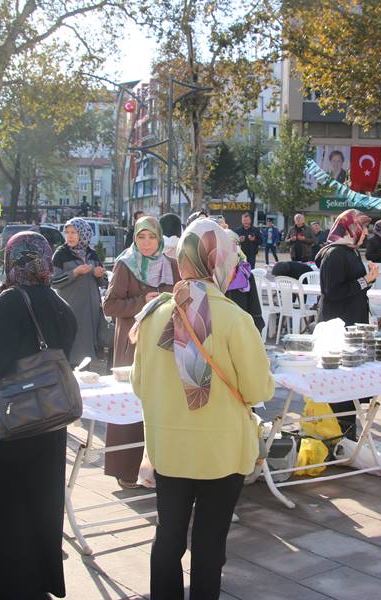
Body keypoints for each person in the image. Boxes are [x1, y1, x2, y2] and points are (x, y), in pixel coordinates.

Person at [130, 217, 274, 600]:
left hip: (170, 449)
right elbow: (257, 389)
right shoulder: (235, 318)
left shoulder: (153, 315)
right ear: (219, 259)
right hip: (221, 451)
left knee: (167, 539)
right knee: (210, 544)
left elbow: (139, 385)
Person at [0, 231, 77, 599]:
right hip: (47, 420)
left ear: (14, 261)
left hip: (7, 420)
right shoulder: (58, 302)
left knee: (4, 501)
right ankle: (37, 577)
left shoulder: (11, 300)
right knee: (39, 500)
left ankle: (5, 580)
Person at [103, 216, 180, 488]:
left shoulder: (172, 265)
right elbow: (110, 306)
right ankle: (126, 470)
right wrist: (141, 302)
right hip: (133, 346)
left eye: (152, 237)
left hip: (164, 344)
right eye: (141, 237)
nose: (146, 244)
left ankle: (162, 467)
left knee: (161, 405)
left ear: (160, 238)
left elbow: (184, 298)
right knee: (131, 405)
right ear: (134, 238)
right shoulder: (126, 264)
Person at [315, 210, 378, 436]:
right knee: (338, 386)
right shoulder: (334, 254)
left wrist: (368, 280)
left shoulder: (350, 252)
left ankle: (346, 434)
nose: (367, 232)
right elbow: (333, 292)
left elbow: (354, 286)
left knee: (347, 387)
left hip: (351, 323)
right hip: (338, 327)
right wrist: (365, 280)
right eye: (363, 227)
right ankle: (336, 435)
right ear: (351, 229)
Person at [52, 217, 108, 364]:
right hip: (71, 310)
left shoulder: (92, 254)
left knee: (87, 356)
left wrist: (99, 275)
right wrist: (74, 273)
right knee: (72, 353)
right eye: (67, 232)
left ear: (83, 234)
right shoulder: (61, 254)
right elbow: (53, 282)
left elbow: (104, 282)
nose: (69, 236)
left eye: (74, 232)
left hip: (91, 313)